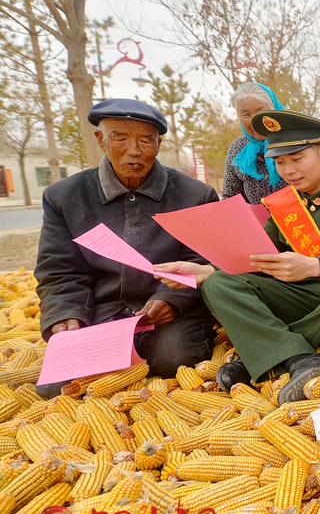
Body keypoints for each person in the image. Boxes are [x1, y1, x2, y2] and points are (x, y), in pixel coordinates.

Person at [156, 110, 320, 403]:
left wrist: (315, 266)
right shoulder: (283, 205)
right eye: (280, 162)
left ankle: (269, 353)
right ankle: (299, 359)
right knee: (218, 284)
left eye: (297, 159)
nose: (289, 170)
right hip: (294, 296)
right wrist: (207, 270)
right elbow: (254, 252)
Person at [35, 99, 218, 396]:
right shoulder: (64, 197)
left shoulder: (195, 196)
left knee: (175, 358)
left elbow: (203, 260)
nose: (134, 150)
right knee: (56, 388)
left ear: (158, 145)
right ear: (100, 140)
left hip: (166, 313)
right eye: (120, 137)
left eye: (145, 140)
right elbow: (59, 269)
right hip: (100, 311)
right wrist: (65, 315)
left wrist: (171, 300)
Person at [222, 82, 286, 203]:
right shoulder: (237, 148)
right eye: (246, 114)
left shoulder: (298, 139)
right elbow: (231, 198)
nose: (254, 121)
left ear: (274, 110)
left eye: (260, 112)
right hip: (258, 221)